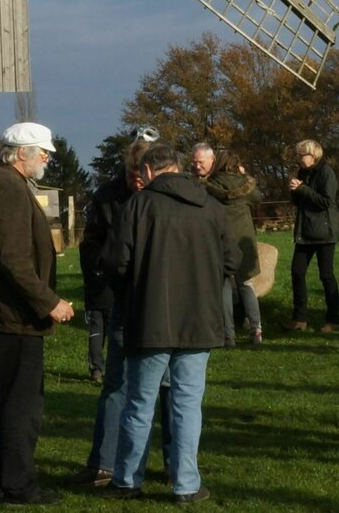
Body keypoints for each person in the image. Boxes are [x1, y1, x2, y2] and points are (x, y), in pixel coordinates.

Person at [104, 143, 237, 506]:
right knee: (187, 405)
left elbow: (116, 263)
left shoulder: (138, 206)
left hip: (150, 320)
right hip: (200, 319)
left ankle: (128, 478)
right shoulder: (211, 206)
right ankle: (186, 484)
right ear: (178, 168)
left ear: (148, 172)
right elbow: (232, 259)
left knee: (140, 404)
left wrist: (134, 291)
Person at [0, 121, 74, 506]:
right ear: (21, 153)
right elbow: (13, 258)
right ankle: (18, 485)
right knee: (20, 404)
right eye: (43, 152)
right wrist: (49, 301)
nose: (46, 159)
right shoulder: (7, 185)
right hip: (10, 315)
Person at [73, 129, 157, 490]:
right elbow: (91, 246)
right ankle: (104, 463)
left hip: (156, 300)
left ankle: (167, 464)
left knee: (163, 388)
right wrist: (102, 284)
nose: (136, 183)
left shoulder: (165, 198)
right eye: (130, 177)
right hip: (119, 295)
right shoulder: (108, 197)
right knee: (116, 382)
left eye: (141, 177)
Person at [194, 143, 263, 345]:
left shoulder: (208, 185)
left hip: (219, 237)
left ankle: (228, 334)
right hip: (244, 238)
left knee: (224, 284)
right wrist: (246, 175)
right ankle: (256, 329)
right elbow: (258, 196)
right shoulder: (245, 185)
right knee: (246, 284)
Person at [287, 138, 339, 333]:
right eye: (298, 155)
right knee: (297, 271)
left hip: (324, 232)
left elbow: (326, 201)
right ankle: (299, 318)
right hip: (305, 231)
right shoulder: (303, 173)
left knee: (326, 275)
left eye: (303, 155)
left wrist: (302, 189)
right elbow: (299, 201)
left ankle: (333, 319)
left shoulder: (327, 173)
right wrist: (294, 190)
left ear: (314, 155)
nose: (300, 159)